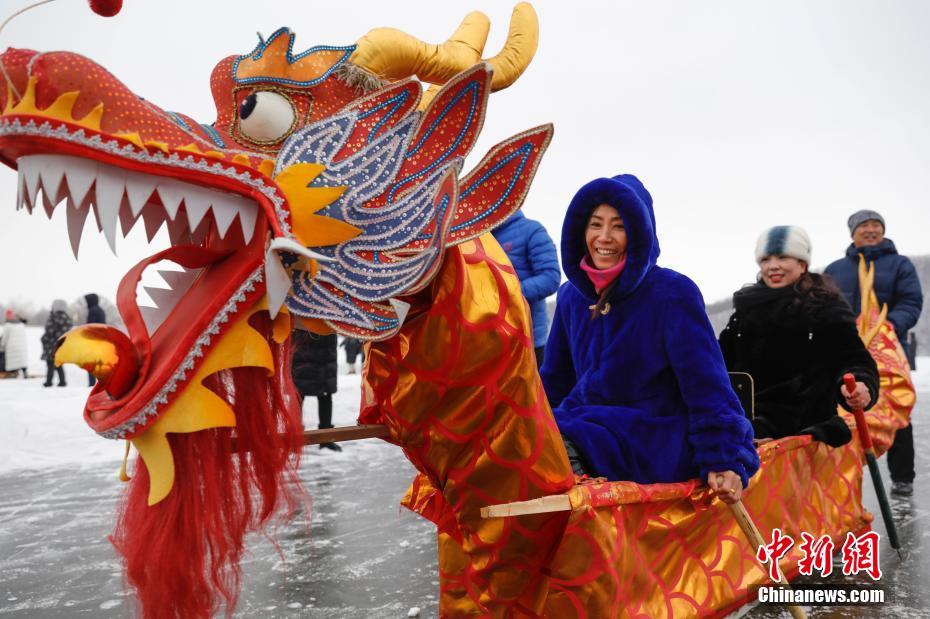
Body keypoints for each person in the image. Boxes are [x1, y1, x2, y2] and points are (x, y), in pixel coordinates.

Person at [540, 174, 759, 503]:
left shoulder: (671, 292)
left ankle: (583, 522)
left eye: (619, 226)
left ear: (639, 232)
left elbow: (706, 384)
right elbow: (554, 382)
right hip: (586, 424)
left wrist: (724, 456)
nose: (604, 237)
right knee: (531, 437)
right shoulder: (571, 297)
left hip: (655, 434)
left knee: (566, 438)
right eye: (595, 224)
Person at [719, 226, 879, 450]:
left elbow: (851, 356)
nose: (773, 265)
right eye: (766, 259)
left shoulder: (823, 306)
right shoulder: (748, 308)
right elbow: (719, 359)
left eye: (783, 257)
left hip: (802, 423)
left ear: (802, 264)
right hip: (748, 419)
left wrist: (861, 384)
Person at [824, 210, 923, 496]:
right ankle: (839, 473)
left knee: (894, 409)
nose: (870, 230)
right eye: (864, 226)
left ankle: (902, 476)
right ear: (852, 232)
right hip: (845, 351)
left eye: (876, 226)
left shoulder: (899, 264)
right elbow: (824, 303)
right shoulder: (836, 268)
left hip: (889, 352)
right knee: (843, 406)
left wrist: (888, 327)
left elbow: (912, 301)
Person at [492, 209, 561, 366]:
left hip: (530, 339)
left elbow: (551, 277)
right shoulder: (477, 239)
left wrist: (506, 293)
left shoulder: (532, 230)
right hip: (490, 340)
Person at [292, 330, 342, 451]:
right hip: (303, 356)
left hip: (324, 359)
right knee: (298, 398)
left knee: (325, 397)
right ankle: (294, 438)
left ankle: (325, 438)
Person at [41, 299, 73, 387]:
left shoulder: (54, 317)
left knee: (50, 364)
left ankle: (49, 382)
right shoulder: (67, 318)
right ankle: (62, 381)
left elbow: (49, 331)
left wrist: (44, 339)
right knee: (58, 364)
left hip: (51, 344)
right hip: (61, 345)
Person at [84, 293, 106, 387]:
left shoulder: (93, 311)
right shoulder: (100, 310)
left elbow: (90, 326)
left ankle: (92, 385)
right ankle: (102, 384)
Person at [1, 309, 29, 378]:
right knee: (21, 360)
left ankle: (13, 372)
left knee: (12, 360)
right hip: (22, 346)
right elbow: (25, 321)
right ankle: (24, 371)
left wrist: (2, 345)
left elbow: (5, 338)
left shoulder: (8, 325)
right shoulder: (20, 324)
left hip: (12, 346)